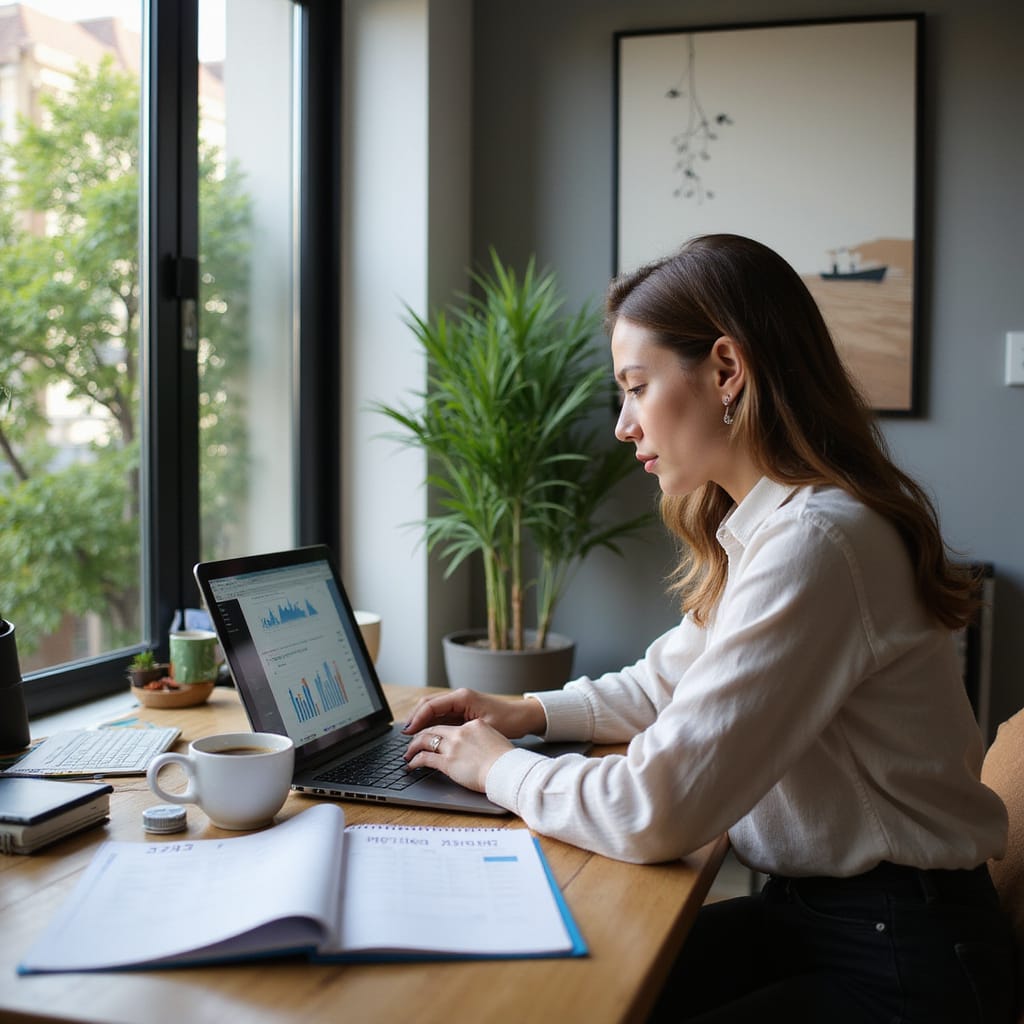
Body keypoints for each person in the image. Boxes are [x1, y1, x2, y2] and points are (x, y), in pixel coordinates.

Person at [402, 233, 1015, 1022]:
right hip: (829, 918)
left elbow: (658, 808)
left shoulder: (817, 542)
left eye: (636, 386)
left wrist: (499, 771)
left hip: (903, 960)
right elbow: (667, 681)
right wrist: (526, 714)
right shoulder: (779, 526)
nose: (625, 425)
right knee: (579, 983)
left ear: (727, 370)